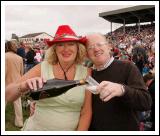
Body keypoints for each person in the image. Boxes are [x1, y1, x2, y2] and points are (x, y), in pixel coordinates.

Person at [5, 25, 92, 131]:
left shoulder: (86, 72)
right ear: (54, 49)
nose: (66, 49)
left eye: (71, 44)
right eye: (60, 45)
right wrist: (23, 86)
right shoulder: (42, 67)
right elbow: (7, 95)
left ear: (78, 48)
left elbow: (86, 112)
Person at [85, 33, 152, 131]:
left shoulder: (127, 67)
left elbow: (146, 102)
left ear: (109, 47)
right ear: (87, 54)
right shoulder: (89, 74)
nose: (96, 49)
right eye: (90, 47)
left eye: (99, 44)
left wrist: (122, 90)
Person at [5, 41, 24, 128]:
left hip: (6, 82)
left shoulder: (4, 56)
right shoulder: (19, 58)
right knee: (18, 103)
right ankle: (19, 122)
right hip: (17, 82)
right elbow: (22, 72)